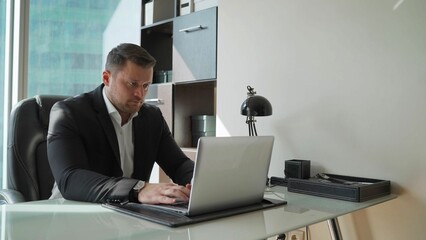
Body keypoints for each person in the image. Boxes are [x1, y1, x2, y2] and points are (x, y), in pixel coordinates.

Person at [48, 43, 194, 205]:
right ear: (106, 78)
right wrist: (138, 188)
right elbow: (70, 179)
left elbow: (178, 164)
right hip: (73, 213)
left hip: (126, 214)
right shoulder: (68, 113)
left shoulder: (152, 117)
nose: (140, 94)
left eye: (145, 86)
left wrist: (199, 181)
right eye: (132, 84)